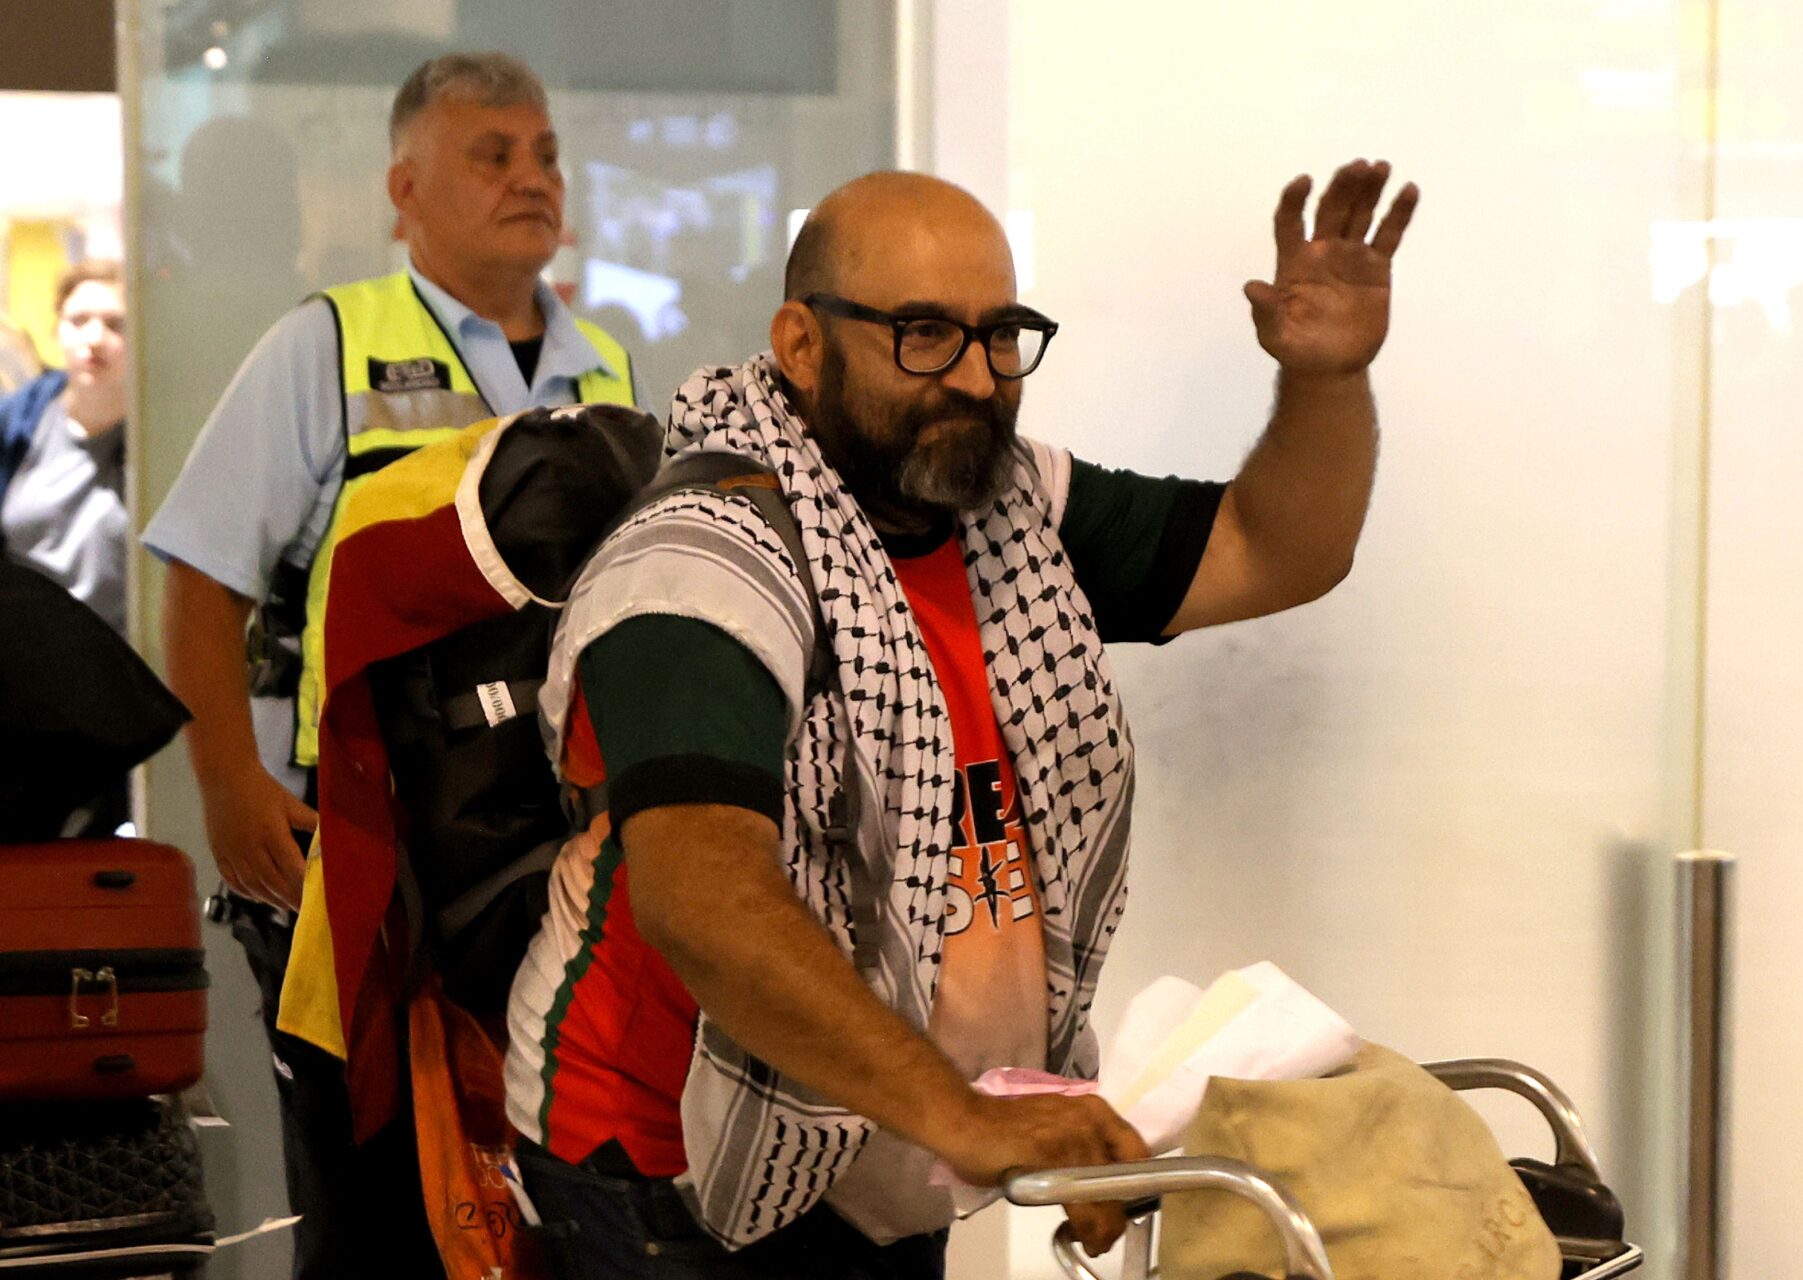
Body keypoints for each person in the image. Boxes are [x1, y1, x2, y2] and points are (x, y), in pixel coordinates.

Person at [504, 161, 1418, 1278]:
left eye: (1001, 336)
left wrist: (1327, 381)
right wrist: (963, 1115)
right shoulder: (699, 565)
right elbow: (703, 901)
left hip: (891, 1142)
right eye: (926, 334)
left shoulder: (1007, 508)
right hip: (669, 1167)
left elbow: (1273, 548)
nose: (978, 379)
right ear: (802, 344)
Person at [142, 51, 639, 1278]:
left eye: (545, 154)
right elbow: (199, 577)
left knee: (550, 1195)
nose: (532, 177)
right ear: (405, 189)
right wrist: (228, 787)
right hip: (356, 849)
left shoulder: (608, 370)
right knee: (369, 1199)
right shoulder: (325, 345)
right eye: (493, 154)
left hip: (544, 847)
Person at [0, 261, 132, 835]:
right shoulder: (17, 426)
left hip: (120, 698)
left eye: (114, 323)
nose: (94, 337)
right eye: (79, 320)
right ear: (56, 329)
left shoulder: (158, 438)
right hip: (23, 696)